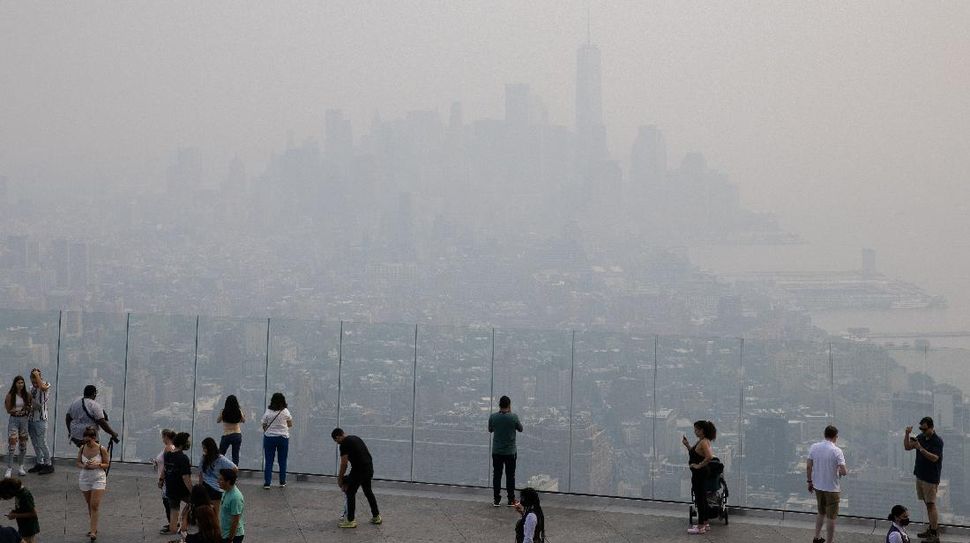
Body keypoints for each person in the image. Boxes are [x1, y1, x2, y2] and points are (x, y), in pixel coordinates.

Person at [331, 428, 381, 529]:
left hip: (359, 470)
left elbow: (344, 464)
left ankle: (350, 520)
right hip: (369, 467)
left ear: (338, 437)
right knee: (368, 492)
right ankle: (376, 516)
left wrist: (340, 479)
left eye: (336, 441)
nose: (337, 443)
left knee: (350, 492)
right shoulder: (356, 438)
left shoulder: (344, 444)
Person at [904, 417, 943, 543]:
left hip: (930, 478)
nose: (923, 431)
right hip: (920, 475)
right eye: (921, 428)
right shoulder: (921, 437)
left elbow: (935, 458)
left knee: (931, 505)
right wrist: (907, 434)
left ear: (931, 427)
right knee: (927, 505)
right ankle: (931, 529)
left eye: (925, 429)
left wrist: (920, 447)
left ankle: (934, 533)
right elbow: (907, 447)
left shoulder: (937, 441)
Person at [807, 425, 847, 543]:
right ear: (836, 437)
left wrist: (809, 481)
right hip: (832, 488)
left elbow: (809, 466)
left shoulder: (814, 447)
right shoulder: (837, 451)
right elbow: (844, 471)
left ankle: (816, 537)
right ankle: (829, 541)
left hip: (818, 486)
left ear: (824, 434)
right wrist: (840, 471)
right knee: (831, 517)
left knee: (821, 512)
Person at [488, 395, 523, 507]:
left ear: (499, 405)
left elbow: (490, 429)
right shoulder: (513, 417)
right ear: (509, 405)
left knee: (497, 476)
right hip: (510, 452)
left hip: (497, 452)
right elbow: (520, 429)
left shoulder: (493, 417)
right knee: (510, 476)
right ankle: (511, 500)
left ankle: (496, 500)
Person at [76, 425, 109, 541]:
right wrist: (84, 465)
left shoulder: (102, 449)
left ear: (94, 438)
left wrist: (98, 465)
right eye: (85, 441)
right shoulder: (82, 448)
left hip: (98, 478)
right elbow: (78, 462)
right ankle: (93, 527)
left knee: (94, 504)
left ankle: (93, 531)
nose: (87, 443)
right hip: (85, 478)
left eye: (89, 441)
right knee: (89, 504)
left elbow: (107, 464)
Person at [684, 420, 717, 535]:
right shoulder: (702, 441)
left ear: (702, 430)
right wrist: (687, 445)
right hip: (700, 473)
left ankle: (700, 526)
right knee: (702, 497)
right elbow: (695, 454)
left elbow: (709, 457)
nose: (695, 431)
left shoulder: (703, 442)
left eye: (696, 429)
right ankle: (705, 523)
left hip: (700, 474)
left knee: (700, 499)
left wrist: (698, 466)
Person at [163, 432, 193, 539]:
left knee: (173, 512)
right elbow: (185, 477)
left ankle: (173, 532)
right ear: (182, 444)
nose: (188, 443)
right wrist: (192, 490)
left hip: (171, 489)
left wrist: (162, 481)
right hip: (182, 489)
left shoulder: (167, 455)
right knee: (193, 502)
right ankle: (183, 521)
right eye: (187, 442)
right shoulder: (183, 458)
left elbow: (165, 470)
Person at [260, 392, 292, 489]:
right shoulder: (285, 411)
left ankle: (267, 483)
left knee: (269, 460)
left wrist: (270, 429)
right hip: (283, 438)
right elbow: (290, 424)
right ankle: (282, 482)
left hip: (269, 438)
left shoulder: (268, 412)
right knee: (282, 461)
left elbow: (263, 424)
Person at [4, 376, 31, 478]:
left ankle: (21, 467)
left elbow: (30, 406)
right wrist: (15, 410)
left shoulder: (26, 395)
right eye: (19, 382)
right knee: (12, 443)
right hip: (14, 419)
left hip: (24, 420)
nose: (21, 384)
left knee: (23, 445)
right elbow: (8, 409)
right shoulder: (10, 395)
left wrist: (26, 410)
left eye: (22, 383)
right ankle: (9, 468)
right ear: (15, 383)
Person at [27, 369, 52, 475]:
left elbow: (42, 387)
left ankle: (48, 464)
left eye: (36, 378)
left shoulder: (45, 384)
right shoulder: (31, 388)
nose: (34, 382)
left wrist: (37, 375)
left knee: (42, 442)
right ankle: (39, 462)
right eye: (33, 379)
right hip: (31, 419)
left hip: (41, 420)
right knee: (35, 443)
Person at [0, 477, 40, 543]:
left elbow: (33, 513)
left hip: (29, 528)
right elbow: (22, 508)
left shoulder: (25, 495)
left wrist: (15, 515)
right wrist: (14, 512)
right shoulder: (18, 493)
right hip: (23, 526)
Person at [198, 437, 237, 502]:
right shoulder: (204, 458)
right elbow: (200, 474)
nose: (204, 450)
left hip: (215, 488)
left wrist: (225, 478)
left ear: (210, 447)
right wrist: (200, 487)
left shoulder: (221, 459)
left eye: (205, 448)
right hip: (206, 486)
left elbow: (235, 469)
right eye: (203, 448)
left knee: (215, 510)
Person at [153, 429, 177, 535]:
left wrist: (161, 479)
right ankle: (172, 523)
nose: (162, 439)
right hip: (166, 479)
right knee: (167, 502)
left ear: (166, 437)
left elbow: (167, 465)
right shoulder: (169, 448)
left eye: (163, 437)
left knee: (168, 503)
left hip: (166, 480)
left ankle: (173, 524)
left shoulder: (169, 448)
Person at [218, 469, 245, 543]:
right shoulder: (226, 491)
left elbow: (235, 521)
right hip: (225, 533)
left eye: (221, 480)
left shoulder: (235, 498)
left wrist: (230, 539)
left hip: (233, 536)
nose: (218, 481)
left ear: (228, 482)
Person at [217, 396, 245, 466]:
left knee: (221, 454)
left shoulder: (223, 411)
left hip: (227, 435)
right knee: (235, 455)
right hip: (237, 434)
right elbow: (243, 420)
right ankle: (234, 473)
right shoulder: (239, 411)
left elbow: (218, 420)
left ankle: (218, 469)